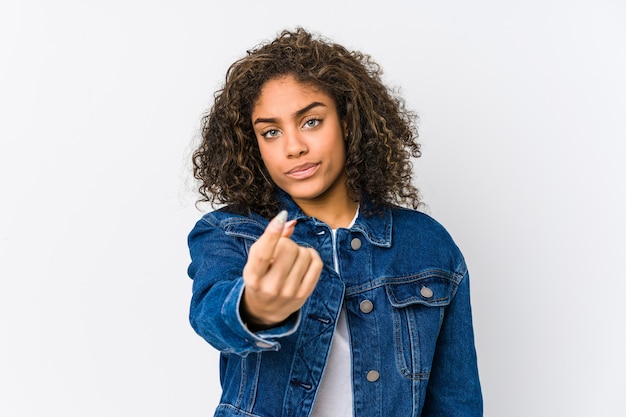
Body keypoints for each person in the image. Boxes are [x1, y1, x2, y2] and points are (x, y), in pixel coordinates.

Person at [187, 28, 482, 417]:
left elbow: (456, 402)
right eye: (271, 132)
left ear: (347, 122)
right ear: (252, 145)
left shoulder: (428, 245)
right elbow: (212, 317)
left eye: (310, 122)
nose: (294, 147)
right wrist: (256, 304)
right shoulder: (230, 233)